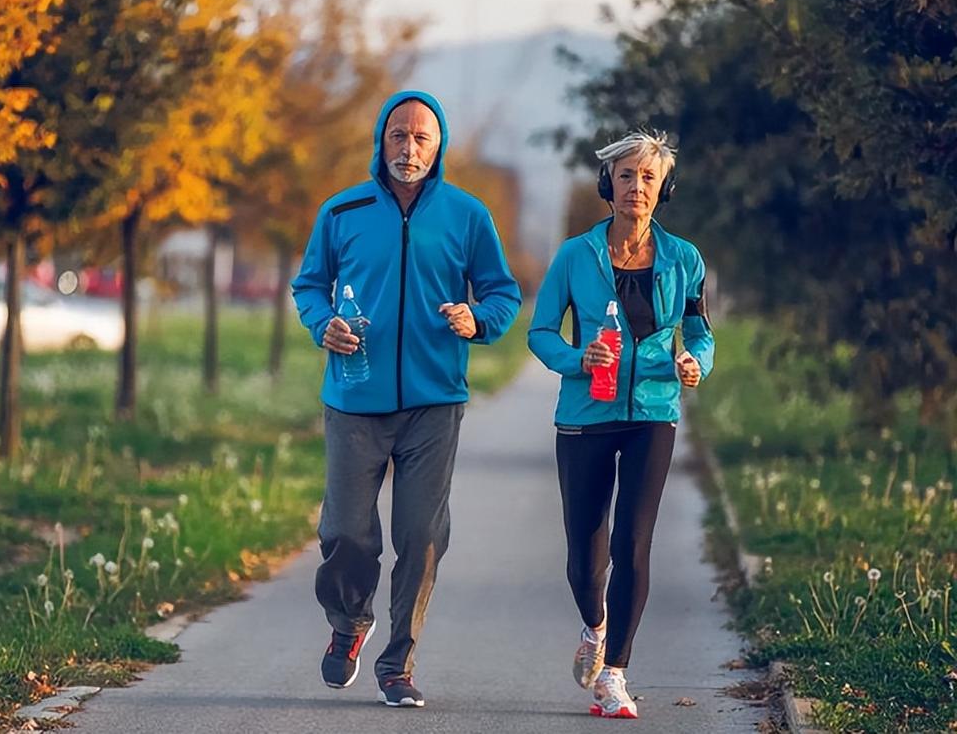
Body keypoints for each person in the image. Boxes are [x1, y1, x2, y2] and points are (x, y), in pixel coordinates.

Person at [292, 90, 522, 708]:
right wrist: (322, 325)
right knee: (345, 532)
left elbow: (503, 293)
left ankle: (398, 663)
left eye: (422, 137)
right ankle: (349, 621)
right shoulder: (342, 212)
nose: (409, 147)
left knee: (421, 536)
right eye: (399, 135)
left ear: (439, 144)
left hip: (434, 400)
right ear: (381, 140)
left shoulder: (468, 216)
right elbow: (309, 285)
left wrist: (477, 319)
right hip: (353, 394)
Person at [527, 130, 714, 719]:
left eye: (649, 177)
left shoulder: (685, 259)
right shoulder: (573, 256)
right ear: (609, 185)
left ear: (664, 189)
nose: (638, 187)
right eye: (628, 176)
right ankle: (594, 623)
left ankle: (615, 675)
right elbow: (539, 333)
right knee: (586, 554)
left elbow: (701, 332)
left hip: (653, 413)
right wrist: (576, 358)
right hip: (585, 414)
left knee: (634, 543)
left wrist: (694, 362)